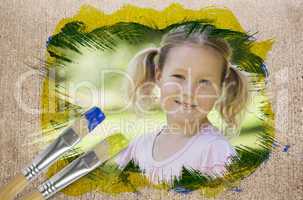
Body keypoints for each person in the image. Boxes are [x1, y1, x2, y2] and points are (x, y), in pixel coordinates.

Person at [113, 25, 249, 186]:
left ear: (220, 88)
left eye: (204, 81)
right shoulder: (139, 147)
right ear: (159, 76)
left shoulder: (215, 152)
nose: (189, 91)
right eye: (178, 76)